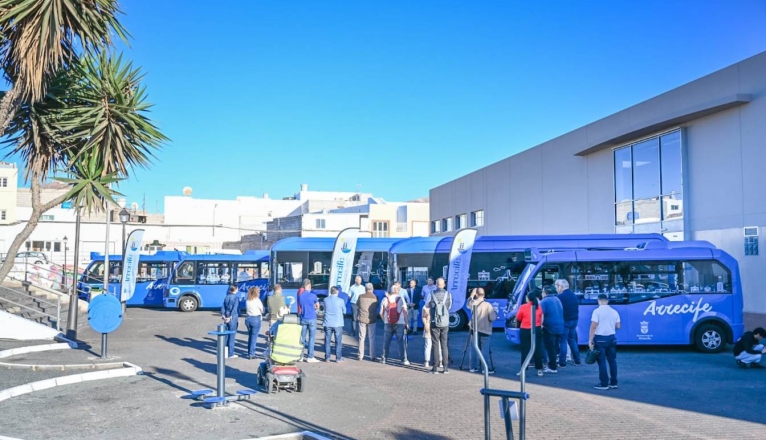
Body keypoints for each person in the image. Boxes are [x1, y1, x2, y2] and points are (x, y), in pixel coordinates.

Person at [589, 294, 621, 390]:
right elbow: (618, 326)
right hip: (612, 338)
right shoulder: (614, 312)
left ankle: (604, 383)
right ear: (607, 301)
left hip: (600, 339)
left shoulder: (597, 311)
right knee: (612, 361)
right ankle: (614, 382)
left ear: (598, 301)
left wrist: (590, 340)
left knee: (601, 361)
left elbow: (593, 326)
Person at [426, 277, 452, 374]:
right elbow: (449, 307)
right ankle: (445, 367)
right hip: (445, 323)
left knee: (435, 344)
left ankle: (435, 367)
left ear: (436, 285)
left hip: (434, 321)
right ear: (444, 285)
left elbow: (426, 305)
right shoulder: (448, 295)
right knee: (444, 344)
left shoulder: (431, 294)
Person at [468, 288, 497, 374]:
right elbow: (492, 318)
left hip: (474, 329)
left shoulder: (473, 303)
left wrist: (471, 295)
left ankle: (472, 367)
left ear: (476, 294)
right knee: (484, 350)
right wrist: (495, 312)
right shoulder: (488, 305)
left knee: (473, 349)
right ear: (484, 295)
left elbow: (468, 302)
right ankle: (485, 368)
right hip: (485, 330)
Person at [516, 290, 544, 377]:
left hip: (525, 329)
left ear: (528, 298)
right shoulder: (538, 306)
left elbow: (519, 318)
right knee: (538, 349)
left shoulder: (523, 307)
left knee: (525, 350)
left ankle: (523, 369)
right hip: (537, 329)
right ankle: (540, 370)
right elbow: (541, 316)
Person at [380, 288, 410, 365]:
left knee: (386, 341)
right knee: (401, 342)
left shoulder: (385, 299)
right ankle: (404, 359)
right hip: (400, 323)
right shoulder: (401, 299)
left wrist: (385, 320)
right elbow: (405, 312)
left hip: (388, 322)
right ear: (398, 291)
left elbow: (380, 313)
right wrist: (406, 323)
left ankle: (384, 358)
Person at [556, 279, 581, 366]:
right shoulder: (573, 295)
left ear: (561, 287)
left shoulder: (560, 297)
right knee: (572, 340)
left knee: (563, 341)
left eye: (557, 286)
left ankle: (562, 362)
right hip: (574, 320)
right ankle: (577, 360)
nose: (556, 288)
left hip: (565, 321)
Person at [540, 285, 564, 374]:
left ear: (545, 293)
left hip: (549, 327)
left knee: (550, 348)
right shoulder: (557, 299)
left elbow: (540, 315)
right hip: (560, 327)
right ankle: (554, 364)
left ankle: (552, 367)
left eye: (542, 291)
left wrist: (540, 325)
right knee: (555, 347)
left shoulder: (544, 302)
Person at [298, 280, 320, 363]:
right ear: (310, 286)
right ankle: (310, 356)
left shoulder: (301, 296)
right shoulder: (313, 296)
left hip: (303, 318)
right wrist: (314, 306)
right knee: (311, 338)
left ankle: (300, 356)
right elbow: (317, 306)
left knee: (302, 338)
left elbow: (301, 306)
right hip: (312, 318)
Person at [323, 286, 347, 362]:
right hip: (338, 323)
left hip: (328, 322)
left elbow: (324, 309)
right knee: (338, 341)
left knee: (327, 341)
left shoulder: (325, 300)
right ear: (337, 292)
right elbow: (344, 311)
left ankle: (327, 357)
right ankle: (338, 358)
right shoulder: (341, 301)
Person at [356, 283, 379, 361]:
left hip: (362, 318)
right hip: (372, 319)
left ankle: (360, 355)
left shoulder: (361, 296)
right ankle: (372, 356)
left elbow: (358, 305)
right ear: (372, 289)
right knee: (372, 338)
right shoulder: (375, 297)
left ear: (365, 289)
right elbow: (376, 306)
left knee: (361, 337)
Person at [220, 285, 240, 359]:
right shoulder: (236, 298)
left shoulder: (226, 297)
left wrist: (223, 315)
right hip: (233, 317)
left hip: (226, 316)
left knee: (226, 335)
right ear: (235, 290)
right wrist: (230, 317)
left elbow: (223, 307)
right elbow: (235, 308)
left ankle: (224, 352)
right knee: (232, 336)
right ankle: (230, 353)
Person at [244, 286, 264, 359]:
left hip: (248, 319)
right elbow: (262, 309)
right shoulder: (257, 300)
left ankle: (249, 351)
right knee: (254, 337)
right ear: (256, 293)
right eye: (258, 292)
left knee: (250, 336)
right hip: (256, 318)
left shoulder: (248, 300)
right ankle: (251, 354)